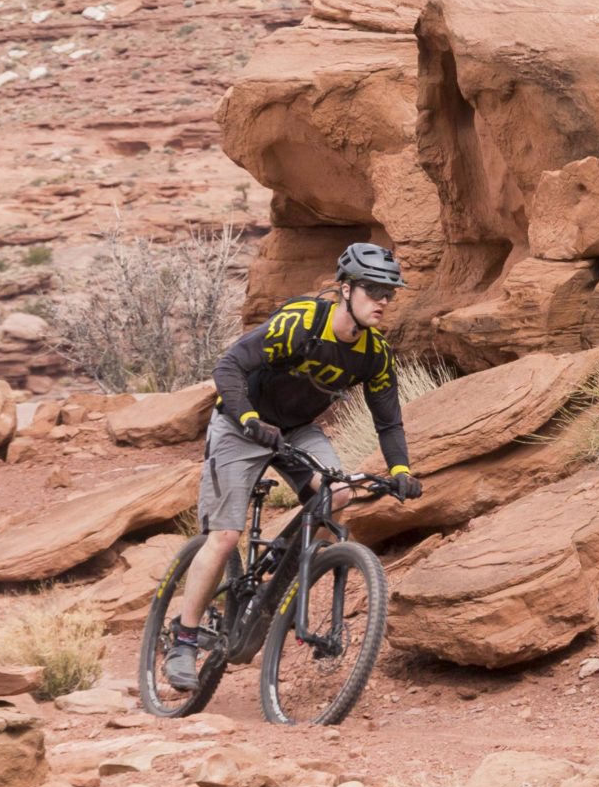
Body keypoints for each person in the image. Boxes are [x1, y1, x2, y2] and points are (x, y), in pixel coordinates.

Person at [161, 241, 423, 692]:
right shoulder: (300, 322)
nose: (383, 301)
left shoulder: (374, 354)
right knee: (224, 537)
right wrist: (247, 417)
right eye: (373, 290)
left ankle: (281, 580)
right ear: (345, 289)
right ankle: (184, 639)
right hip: (240, 425)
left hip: (296, 431)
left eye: (389, 293)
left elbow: (389, 420)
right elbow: (230, 366)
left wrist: (400, 471)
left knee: (337, 494)